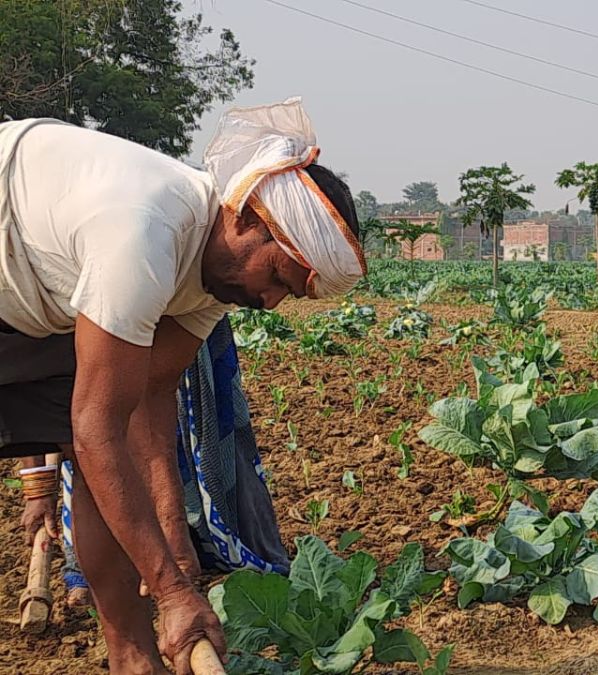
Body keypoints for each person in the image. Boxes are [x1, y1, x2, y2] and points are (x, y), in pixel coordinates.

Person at [0, 97, 365, 674]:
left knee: (101, 467)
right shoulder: (144, 232)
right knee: (94, 437)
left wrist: (174, 545)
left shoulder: (215, 280)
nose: (269, 302)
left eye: (286, 293)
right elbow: (97, 430)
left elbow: (149, 397)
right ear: (244, 218)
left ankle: (132, 659)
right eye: (274, 276)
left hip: (33, 297)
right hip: (12, 254)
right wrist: (170, 593)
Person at [20, 314, 291, 611]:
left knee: (173, 431)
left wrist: (171, 528)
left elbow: (155, 394)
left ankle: (189, 543)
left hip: (178, 320)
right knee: (95, 434)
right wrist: (37, 487)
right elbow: (31, 372)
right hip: (90, 324)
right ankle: (98, 569)